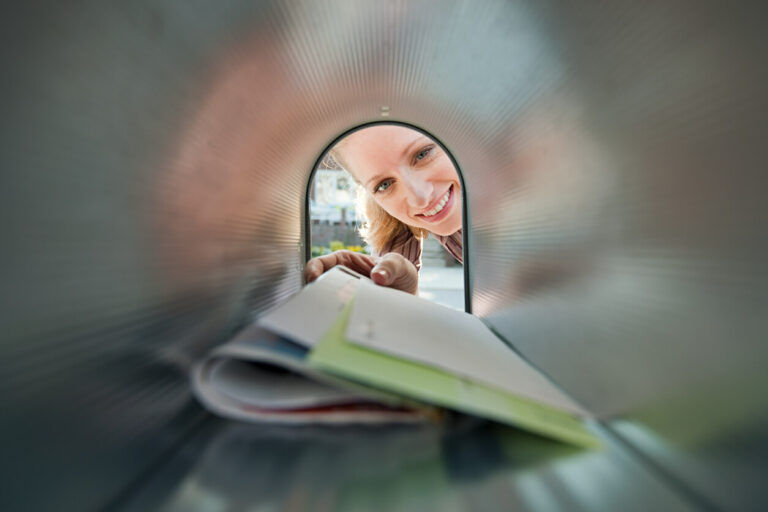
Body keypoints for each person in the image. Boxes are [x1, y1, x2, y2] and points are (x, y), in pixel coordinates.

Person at [305, 125, 463, 294]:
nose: (420, 199)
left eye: (422, 154)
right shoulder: (394, 218)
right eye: (384, 185)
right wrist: (398, 296)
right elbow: (392, 301)